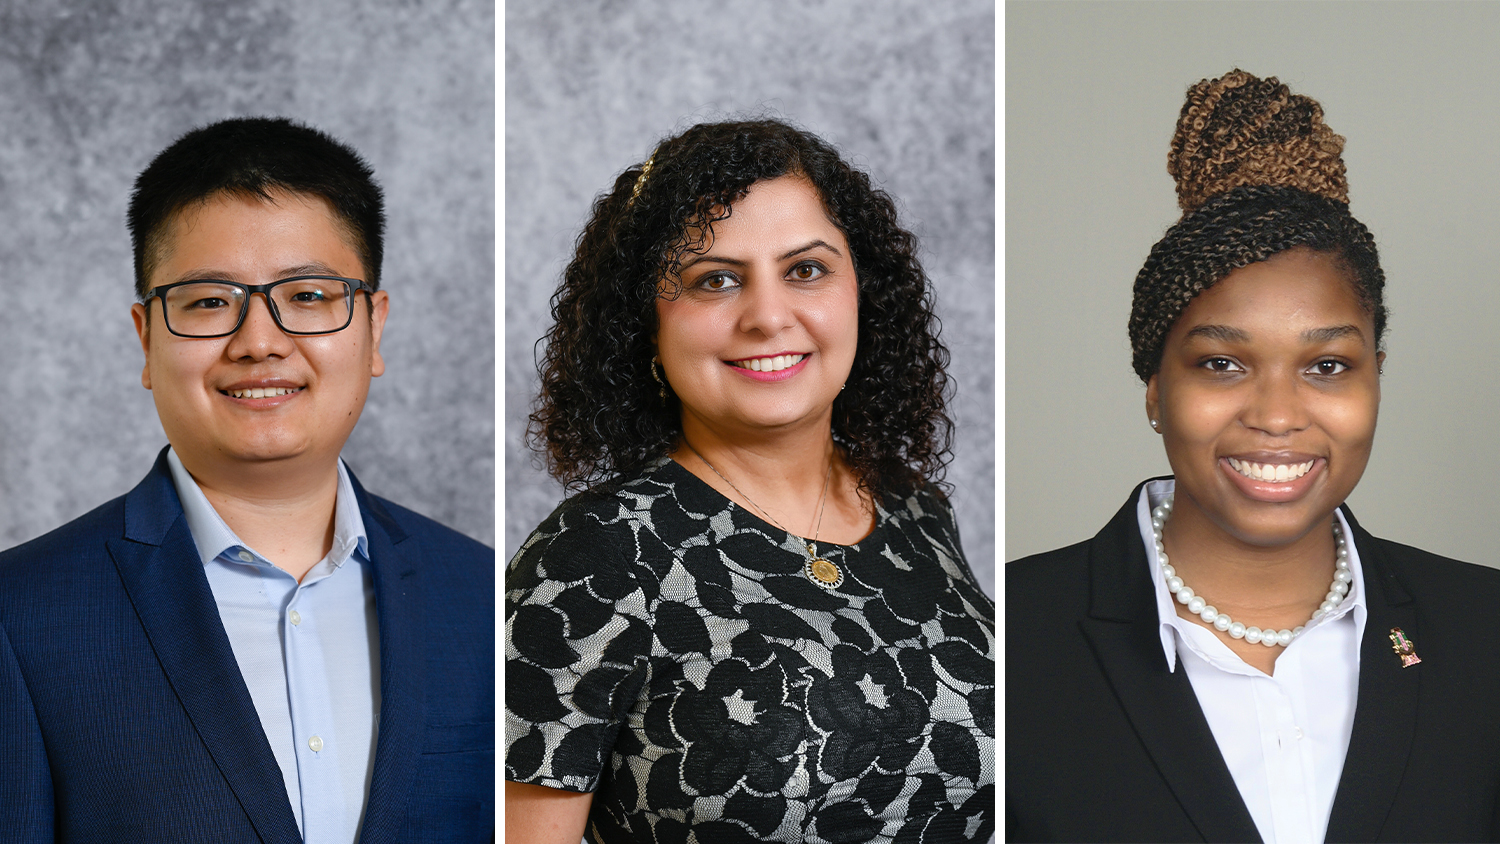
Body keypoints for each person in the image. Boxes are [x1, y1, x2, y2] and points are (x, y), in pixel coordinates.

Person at [1007, 70, 1500, 842]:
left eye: (1327, 366)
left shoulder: (1485, 630)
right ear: (1155, 389)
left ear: (1375, 378)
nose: (1276, 415)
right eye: (1222, 364)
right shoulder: (1006, 640)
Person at [0, 117, 494, 842]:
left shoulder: (485, 598)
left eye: (308, 296)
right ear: (146, 338)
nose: (259, 342)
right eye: (208, 301)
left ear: (374, 327)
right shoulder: (20, 616)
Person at [506, 119, 995, 843]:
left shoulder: (915, 509)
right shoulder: (594, 555)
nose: (768, 316)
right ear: (646, 325)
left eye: (806, 270)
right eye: (716, 280)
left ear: (863, 292)